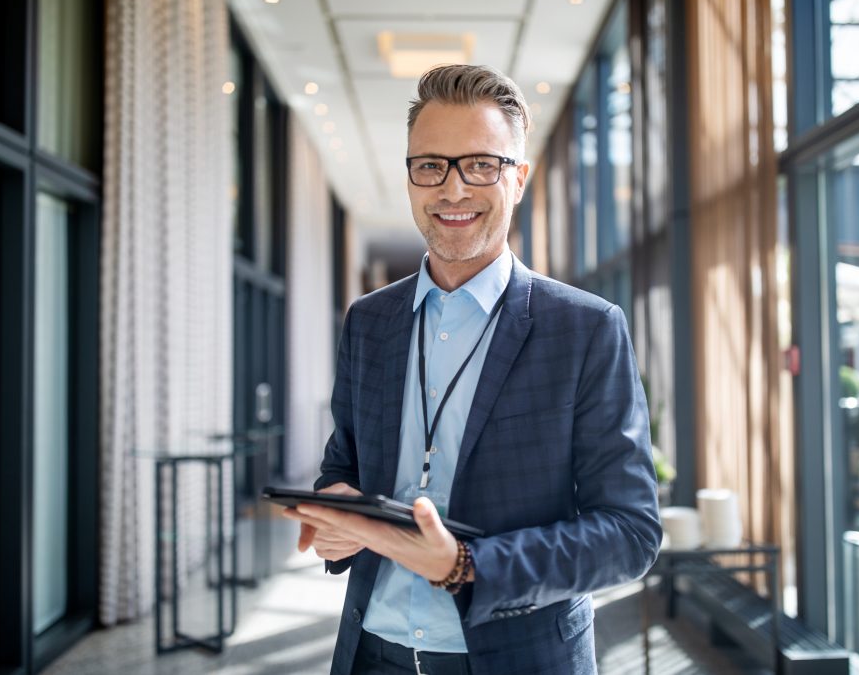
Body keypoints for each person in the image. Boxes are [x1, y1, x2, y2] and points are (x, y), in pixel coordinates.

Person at [283, 64, 661, 675]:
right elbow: (343, 466)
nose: (453, 189)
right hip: (371, 654)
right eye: (431, 165)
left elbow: (629, 533)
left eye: (481, 164)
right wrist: (338, 514)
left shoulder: (585, 328)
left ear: (519, 179)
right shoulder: (369, 322)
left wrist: (465, 564)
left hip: (517, 659)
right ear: (410, 179)